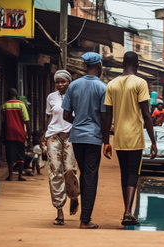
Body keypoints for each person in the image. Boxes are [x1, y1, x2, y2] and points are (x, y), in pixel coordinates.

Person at [102, 51, 157, 226]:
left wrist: (106, 142)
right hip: (134, 136)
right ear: (137, 64)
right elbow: (146, 114)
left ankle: (127, 211)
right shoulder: (140, 83)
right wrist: (153, 141)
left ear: (122, 64)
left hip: (119, 137)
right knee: (133, 173)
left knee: (124, 174)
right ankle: (127, 212)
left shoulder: (111, 84)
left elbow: (107, 115)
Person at [62, 52, 107, 229]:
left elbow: (66, 115)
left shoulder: (73, 86)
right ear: (99, 66)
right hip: (94, 138)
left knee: (83, 173)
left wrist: (79, 123)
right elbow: (104, 117)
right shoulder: (103, 88)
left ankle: (82, 210)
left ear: (85, 66)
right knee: (90, 176)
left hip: (77, 137)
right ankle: (85, 220)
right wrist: (105, 136)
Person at [45, 70, 80, 226]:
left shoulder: (76, 96)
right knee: (54, 171)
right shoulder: (51, 97)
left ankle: (73, 196)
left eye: (63, 81)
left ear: (69, 82)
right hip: (53, 136)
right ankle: (59, 210)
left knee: (69, 170)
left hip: (70, 135)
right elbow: (49, 116)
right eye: (57, 82)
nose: (60, 84)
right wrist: (43, 135)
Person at [1, 88, 31, 181]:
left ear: (8, 95)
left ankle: (10, 176)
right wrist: (29, 136)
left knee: (10, 155)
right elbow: (26, 120)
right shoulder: (21, 104)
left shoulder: (4, 106)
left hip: (8, 133)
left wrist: (2, 135)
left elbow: (3, 122)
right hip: (20, 133)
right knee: (20, 154)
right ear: (16, 95)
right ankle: (20, 176)